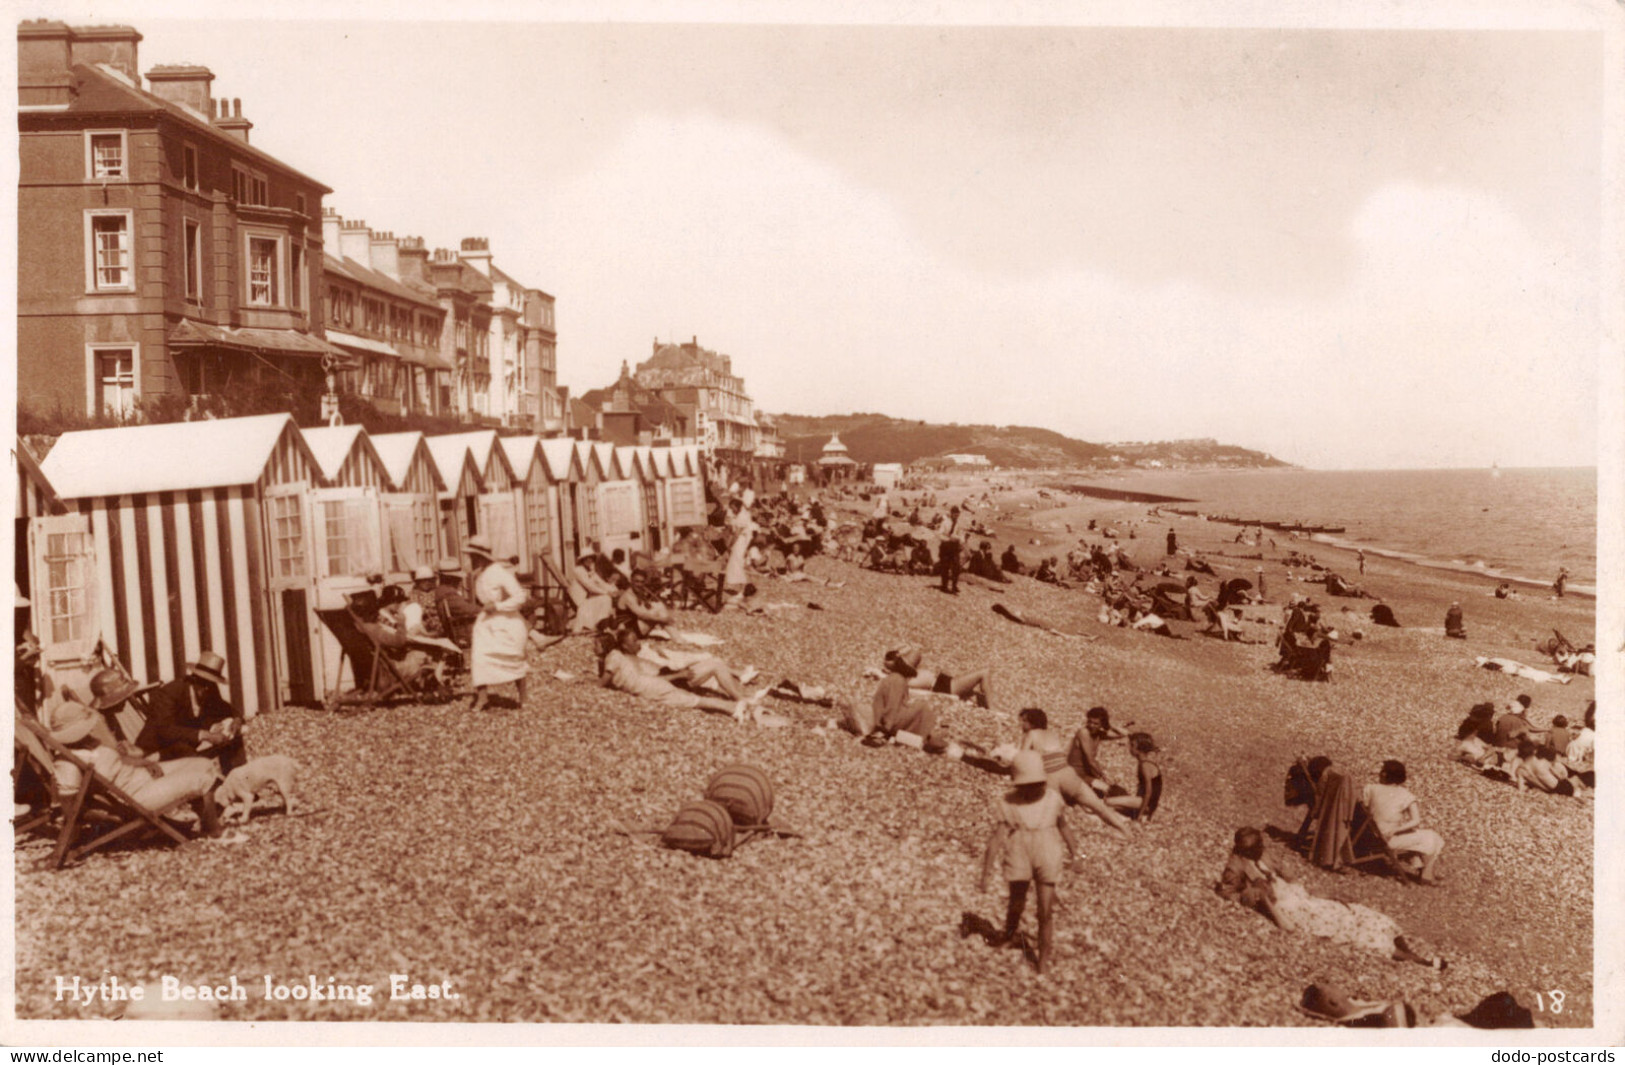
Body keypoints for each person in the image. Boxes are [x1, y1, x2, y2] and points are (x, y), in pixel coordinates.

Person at [1218, 827, 1443, 967]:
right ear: (1246, 851)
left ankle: (1414, 954)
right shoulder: (1236, 867)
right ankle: (1420, 962)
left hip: (1303, 899)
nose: (1262, 850)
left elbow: (1286, 874)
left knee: (1360, 913)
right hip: (1292, 909)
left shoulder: (1262, 854)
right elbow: (1228, 893)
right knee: (1353, 929)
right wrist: (1257, 895)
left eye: (1261, 846)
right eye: (1257, 848)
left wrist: (1316, 892)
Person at [43, 698, 223, 836]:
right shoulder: (67, 762)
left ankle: (196, 820)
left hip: (139, 778)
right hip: (135, 799)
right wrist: (103, 818)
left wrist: (145, 762)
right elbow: (70, 807)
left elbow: (119, 761)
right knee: (202, 778)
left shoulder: (88, 742)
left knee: (204, 764)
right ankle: (213, 832)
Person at [978, 750, 1078, 975]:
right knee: (1017, 900)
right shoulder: (1009, 801)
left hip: (1047, 851)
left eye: (1037, 783)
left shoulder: (1052, 798)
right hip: (1019, 850)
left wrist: (1077, 856)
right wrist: (986, 873)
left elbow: (1064, 827)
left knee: (1045, 910)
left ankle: (1043, 958)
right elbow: (997, 838)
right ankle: (1009, 933)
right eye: (1028, 784)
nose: (1033, 788)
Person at [1015, 708, 1134, 840]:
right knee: (1097, 806)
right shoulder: (1051, 734)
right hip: (1068, 773)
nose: (1021, 724)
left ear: (1031, 723)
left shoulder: (1030, 735)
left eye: (1023, 721)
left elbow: (1023, 760)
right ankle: (1126, 832)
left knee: (1051, 813)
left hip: (1051, 776)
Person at [598, 626, 753, 720]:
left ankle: (740, 698)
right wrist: (679, 675)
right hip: (674, 681)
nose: (639, 643)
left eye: (637, 639)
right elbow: (651, 679)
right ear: (625, 646)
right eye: (634, 642)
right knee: (713, 668)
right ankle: (739, 701)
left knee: (716, 664)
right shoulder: (628, 661)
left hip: (675, 674)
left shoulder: (636, 654)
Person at [133, 653, 247, 774]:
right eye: (204, 684)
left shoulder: (209, 688)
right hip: (157, 748)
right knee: (194, 758)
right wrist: (205, 735)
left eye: (211, 684)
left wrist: (237, 720)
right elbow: (165, 730)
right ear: (194, 679)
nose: (207, 688)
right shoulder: (170, 692)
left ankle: (237, 779)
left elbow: (226, 708)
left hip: (187, 743)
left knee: (233, 743)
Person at [464, 536, 529, 713]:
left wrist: (499, 606)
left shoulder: (499, 572)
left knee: (513, 658)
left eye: (474, 556)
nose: (471, 560)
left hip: (506, 621)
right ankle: (483, 697)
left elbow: (520, 596)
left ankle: (523, 697)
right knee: (479, 657)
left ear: (482, 557)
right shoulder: (480, 574)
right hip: (486, 622)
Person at [1360, 760, 1445, 883]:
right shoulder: (1406, 795)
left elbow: (1367, 810)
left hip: (1370, 836)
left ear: (1384, 774)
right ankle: (1427, 875)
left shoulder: (1370, 788)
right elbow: (1416, 820)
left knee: (1414, 833)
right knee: (1433, 837)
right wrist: (1396, 829)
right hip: (1387, 840)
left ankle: (1421, 868)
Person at [871, 646, 949, 752]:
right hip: (886, 722)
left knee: (918, 707)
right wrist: (884, 730)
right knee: (922, 707)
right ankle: (927, 737)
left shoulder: (894, 678)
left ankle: (926, 736)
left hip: (883, 717)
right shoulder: (898, 680)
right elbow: (892, 707)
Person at [886, 644, 995, 711]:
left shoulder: (907, 674)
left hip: (944, 683)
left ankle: (987, 709)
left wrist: (898, 653)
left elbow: (914, 652)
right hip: (946, 686)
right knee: (984, 673)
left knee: (977, 694)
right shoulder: (905, 675)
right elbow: (915, 652)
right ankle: (993, 711)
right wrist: (899, 653)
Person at [1105, 731, 1162, 822]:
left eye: (1132, 745)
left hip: (1145, 804)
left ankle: (1141, 815)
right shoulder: (1147, 763)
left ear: (1139, 749)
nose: (1130, 748)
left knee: (1107, 802)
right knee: (1115, 805)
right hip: (1148, 804)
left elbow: (1148, 792)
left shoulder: (1144, 766)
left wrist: (1140, 815)